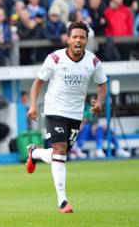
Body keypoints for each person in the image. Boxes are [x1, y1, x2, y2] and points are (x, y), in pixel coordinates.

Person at [26, 21, 108, 214]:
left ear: (86, 40)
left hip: (75, 114)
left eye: (82, 37)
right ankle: (62, 201)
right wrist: (33, 105)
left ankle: (35, 153)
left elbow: (102, 83)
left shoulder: (93, 61)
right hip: (54, 110)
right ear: (68, 39)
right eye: (75, 37)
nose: (78, 40)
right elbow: (38, 83)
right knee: (60, 151)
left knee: (59, 156)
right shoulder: (55, 58)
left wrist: (100, 102)